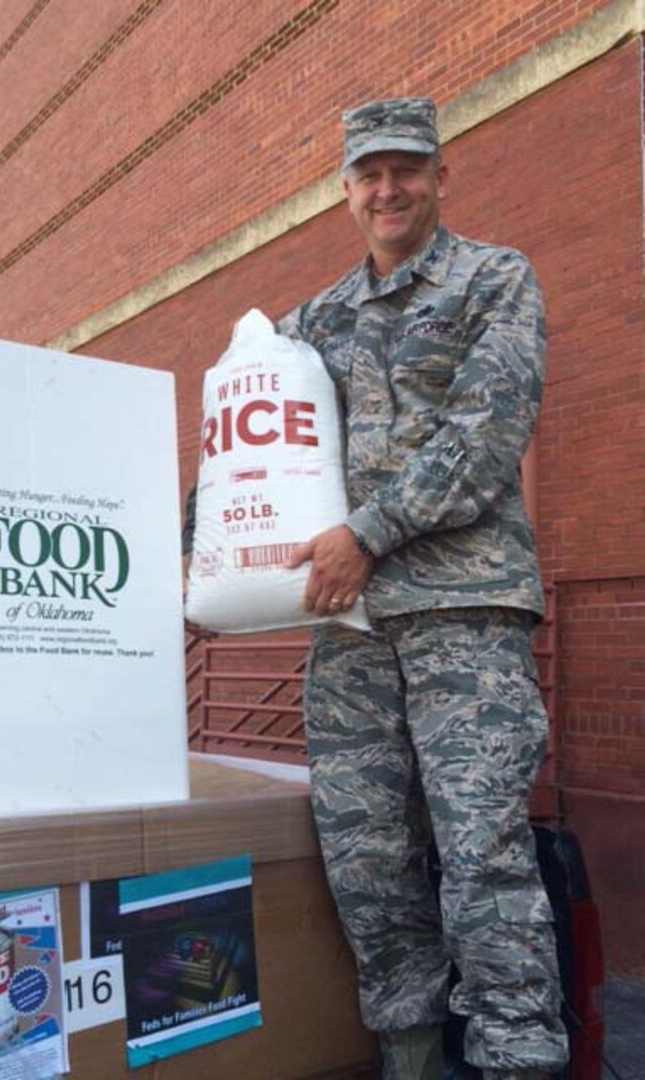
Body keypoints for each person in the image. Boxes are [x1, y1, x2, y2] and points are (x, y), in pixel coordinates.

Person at [271, 99, 569, 1080]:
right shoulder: (310, 324)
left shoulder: (495, 280)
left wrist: (365, 532)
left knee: (481, 863)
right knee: (367, 868)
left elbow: (485, 438)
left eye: (407, 169)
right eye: (369, 173)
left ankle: (519, 1063)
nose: (388, 189)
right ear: (346, 190)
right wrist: (198, 543)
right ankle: (409, 1057)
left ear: (442, 176)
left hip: (465, 618)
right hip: (350, 635)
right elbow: (254, 442)